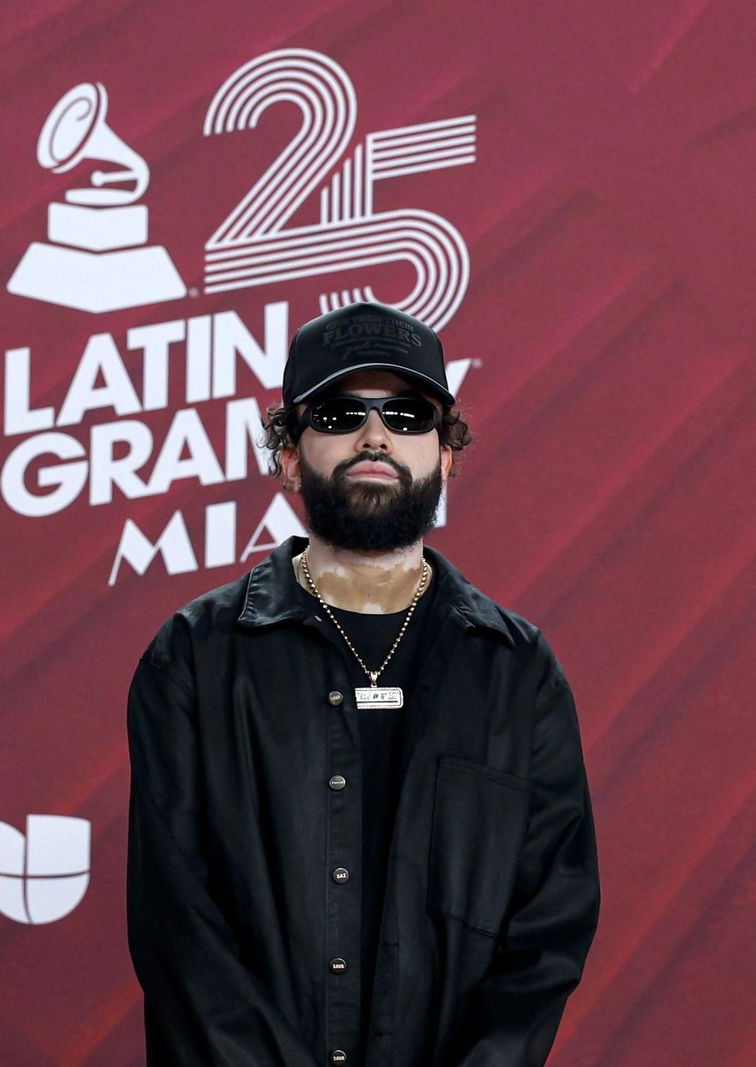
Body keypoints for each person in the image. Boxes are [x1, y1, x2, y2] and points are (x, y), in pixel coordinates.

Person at [126, 301, 600, 1066]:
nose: (376, 435)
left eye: (409, 415)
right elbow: (178, 930)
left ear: (446, 453)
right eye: (343, 412)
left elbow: (549, 926)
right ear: (288, 453)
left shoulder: (517, 673)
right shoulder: (194, 658)